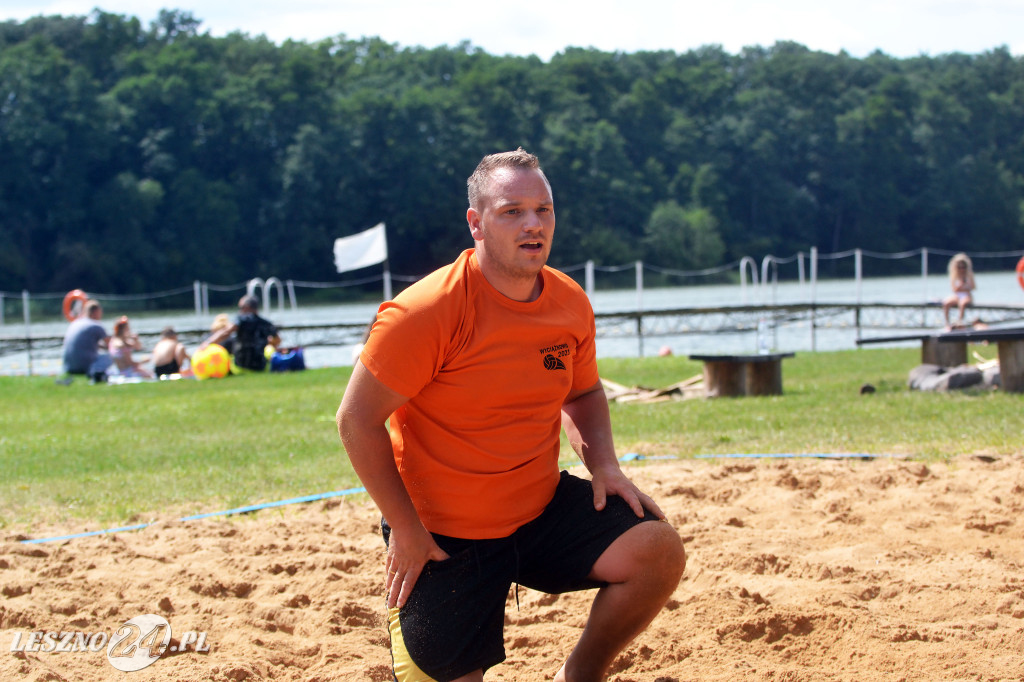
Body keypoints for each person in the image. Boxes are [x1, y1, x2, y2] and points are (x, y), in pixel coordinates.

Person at [336, 148, 685, 682]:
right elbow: (355, 420)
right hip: (444, 534)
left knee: (657, 549)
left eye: (543, 210)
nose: (533, 225)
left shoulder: (568, 300)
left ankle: (581, 673)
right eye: (512, 211)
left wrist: (607, 468)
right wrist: (405, 529)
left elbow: (585, 393)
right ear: (476, 223)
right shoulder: (425, 311)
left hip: (538, 510)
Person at [206, 296, 281, 372]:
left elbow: (226, 332)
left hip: (240, 366)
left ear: (247, 307)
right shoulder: (266, 324)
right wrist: (269, 342)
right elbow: (278, 340)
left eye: (240, 307)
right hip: (260, 366)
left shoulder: (241, 320)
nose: (239, 311)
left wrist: (208, 343)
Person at [61, 299, 113, 381]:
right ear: (96, 311)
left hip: (69, 367)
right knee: (113, 356)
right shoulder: (96, 325)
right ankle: (96, 371)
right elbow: (111, 345)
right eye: (100, 312)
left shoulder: (75, 323)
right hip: (85, 367)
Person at [942, 253, 976, 329]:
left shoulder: (969, 275)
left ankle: (960, 322)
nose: (961, 269)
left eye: (963, 267)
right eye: (959, 267)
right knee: (946, 303)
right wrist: (962, 285)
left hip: (966, 295)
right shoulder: (954, 275)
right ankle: (947, 323)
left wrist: (963, 288)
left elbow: (973, 287)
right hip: (957, 295)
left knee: (962, 303)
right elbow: (954, 289)